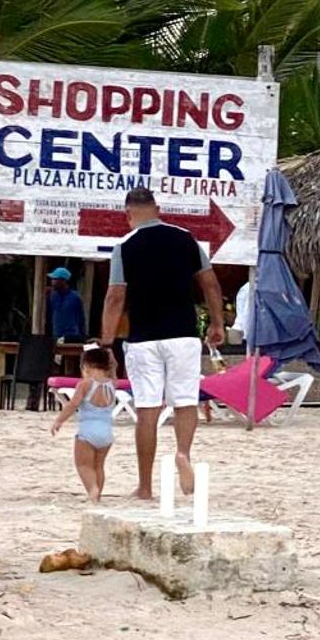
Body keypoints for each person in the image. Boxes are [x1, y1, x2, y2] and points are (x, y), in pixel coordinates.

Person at [101, 188, 225, 500]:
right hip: (183, 335)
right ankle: (183, 453)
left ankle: (144, 486)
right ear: (158, 208)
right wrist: (217, 322)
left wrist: (106, 342)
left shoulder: (125, 246)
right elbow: (210, 283)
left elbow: (116, 296)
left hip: (144, 338)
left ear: (128, 214)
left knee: (147, 409)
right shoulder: (185, 238)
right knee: (185, 401)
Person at [50, 343, 118, 504]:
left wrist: (59, 420)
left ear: (86, 365)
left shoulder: (85, 384)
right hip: (107, 433)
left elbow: (73, 405)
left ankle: (92, 490)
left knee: (83, 465)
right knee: (99, 466)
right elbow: (114, 366)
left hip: (87, 432)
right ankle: (97, 495)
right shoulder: (112, 383)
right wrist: (109, 354)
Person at [47, 267, 88, 341]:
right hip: (56, 334)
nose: (52, 281)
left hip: (71, 335)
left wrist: (83, 336)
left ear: (63, 281)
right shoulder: (53, 296)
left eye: (55, 279)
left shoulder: (75, 297)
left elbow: (80, 318)